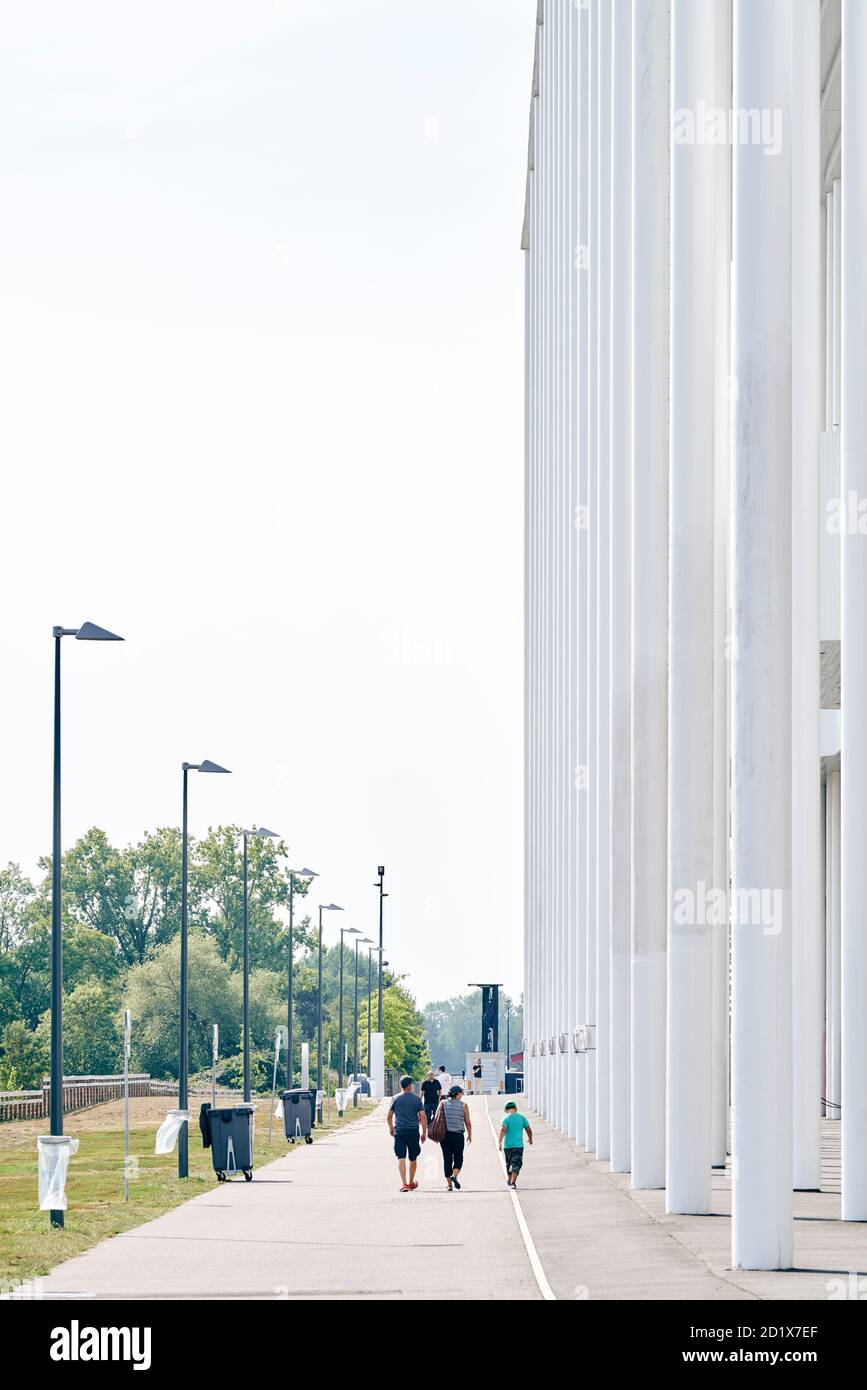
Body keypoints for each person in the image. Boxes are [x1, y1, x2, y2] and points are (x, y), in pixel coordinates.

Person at [387, 1076, 427, 1192]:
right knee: (413, 1158)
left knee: (401, 1158)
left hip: (399, 1131)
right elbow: (423, 1117)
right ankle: (410, 1182)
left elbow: (389, 1116)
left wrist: (391, 1128)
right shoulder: (417, 1099)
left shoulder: (395, 1098)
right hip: (413, 1131)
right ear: (409, 1085)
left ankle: (404, 1184)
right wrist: (424, 1132)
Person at [440, 1085, 472, 1191]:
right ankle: (454, 1175)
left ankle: (449, 1185)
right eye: (461, 1093)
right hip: (458, 1135)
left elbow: (437, 1119)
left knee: (447, 1159)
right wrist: (470, 1134)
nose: (462, 1095)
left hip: (445, 1136)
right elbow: (467, 1122)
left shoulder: (442, 1103)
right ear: (458, 1094)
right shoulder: (463, 1105)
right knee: (458, 1157)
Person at [498, 1099, 532, 1187]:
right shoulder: (522, 1118)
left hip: (507, 1146)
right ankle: (512, 1182)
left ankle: (510, 1178)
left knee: (508, 1163)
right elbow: (528, 1129)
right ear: (516, 1108)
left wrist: (499, 1142)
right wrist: (530, 1138)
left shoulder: (505, 1118)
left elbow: (503, 1130)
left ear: (505, 1110)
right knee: (516, 1163)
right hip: (518, 1145)